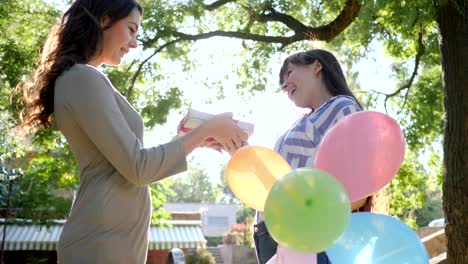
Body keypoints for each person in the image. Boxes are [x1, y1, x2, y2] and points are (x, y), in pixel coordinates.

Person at [16, 0, 247, 263]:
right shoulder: (82, 78)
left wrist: (194, 139)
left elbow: (132, 162)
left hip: (112, 239)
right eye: (131, 29)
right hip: (101, 242)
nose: (135, 43)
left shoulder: (87, 78)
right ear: (104, 20)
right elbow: (138, 167)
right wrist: (207, 128)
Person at [253, 49, 388, 264]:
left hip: (305, 236)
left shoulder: (341, 107)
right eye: (282, 81)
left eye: (289, 72)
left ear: (316, 67)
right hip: (270, 232)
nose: (284, 85)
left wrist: (309, 218)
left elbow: (358, 189)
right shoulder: (303, 122)